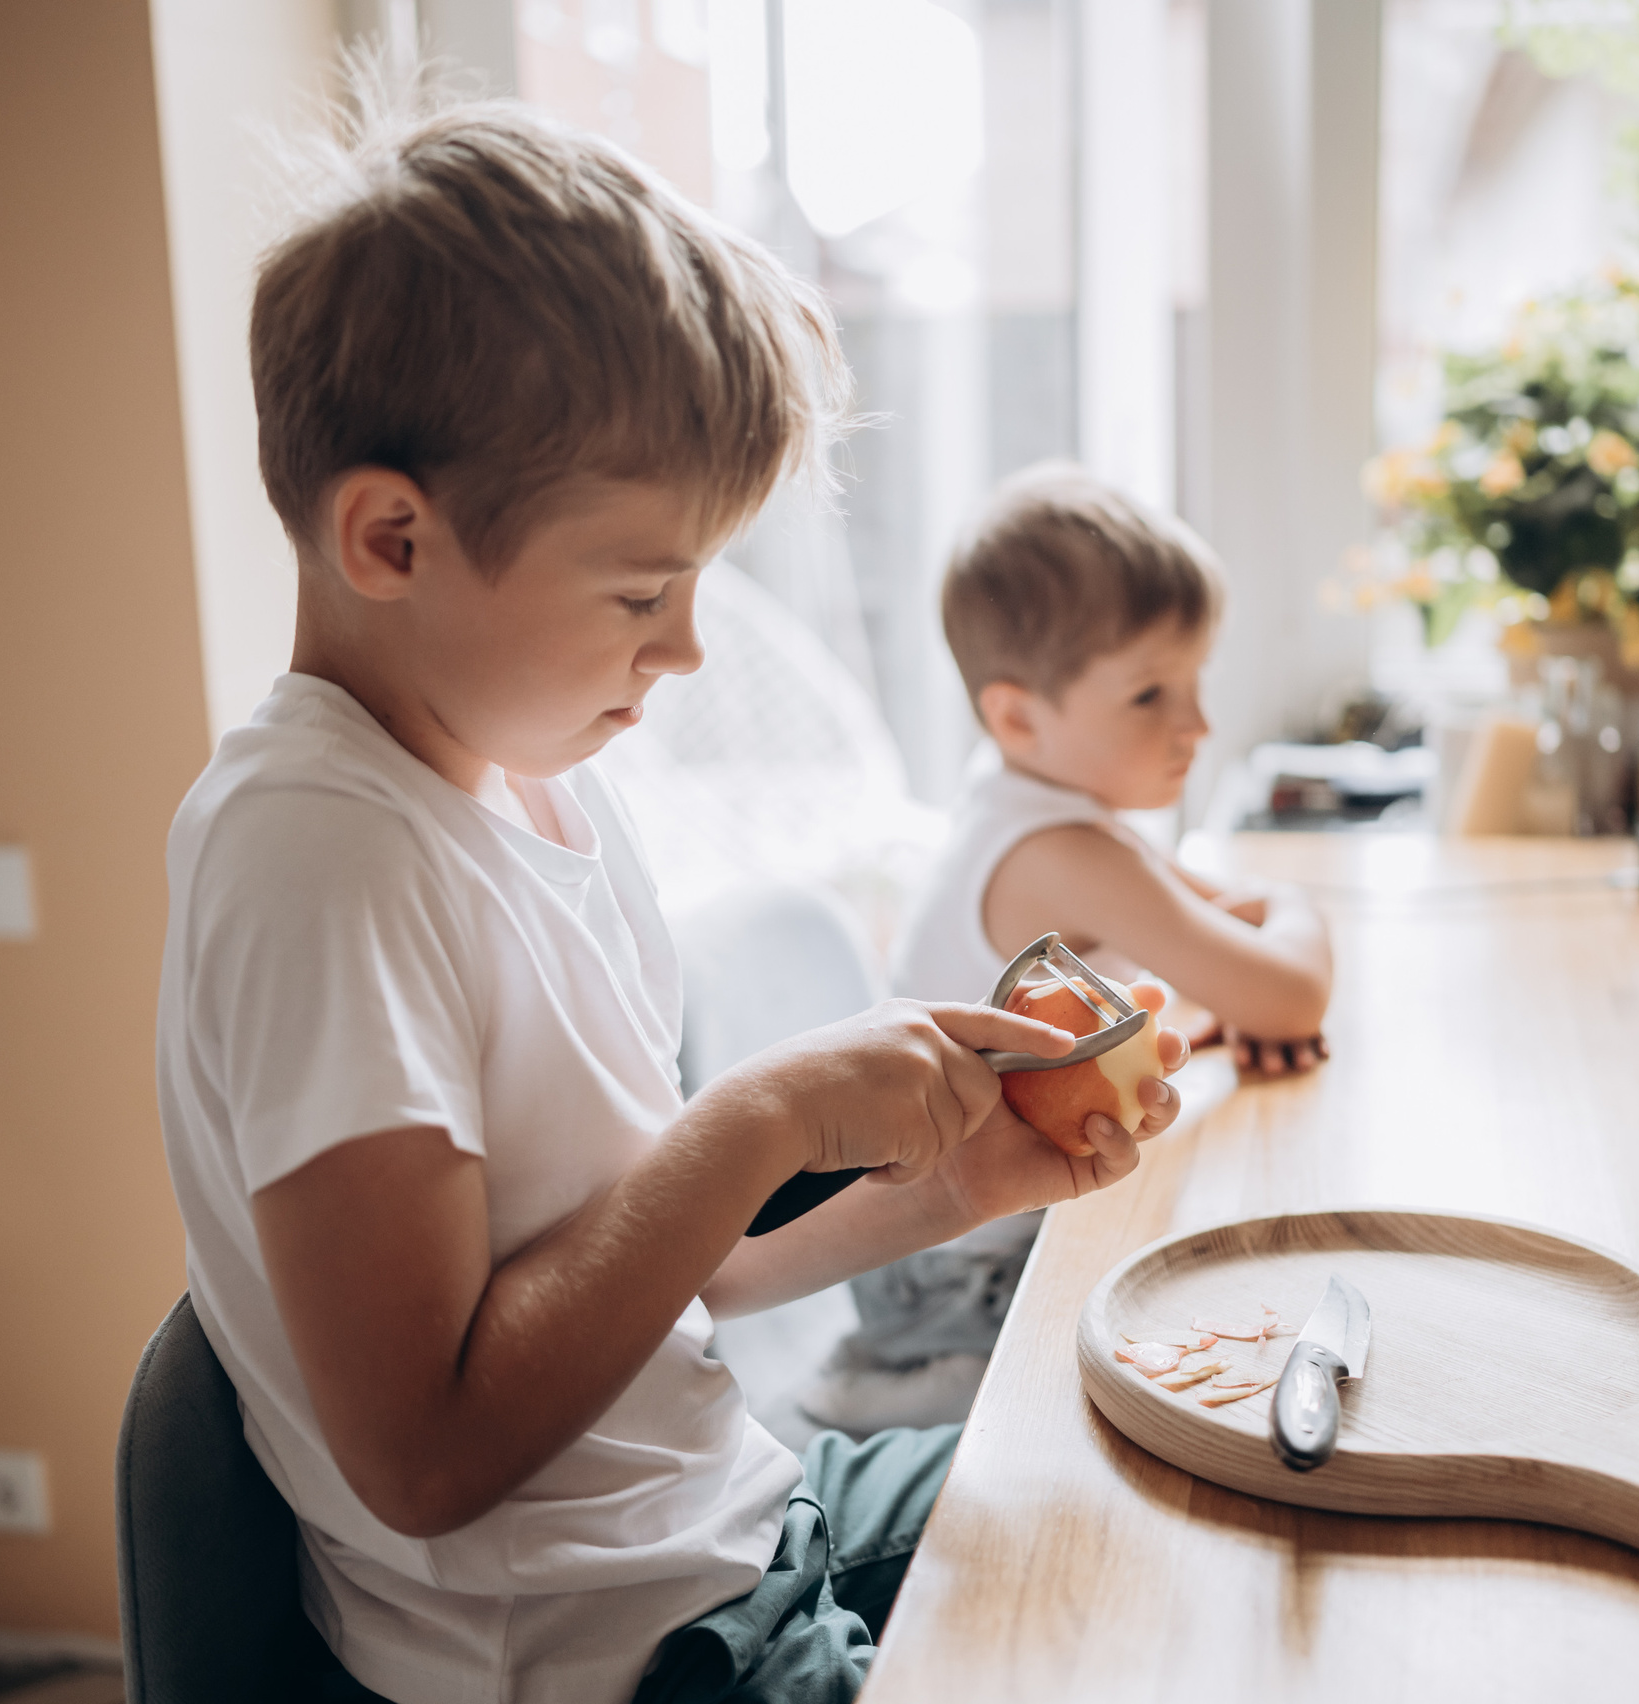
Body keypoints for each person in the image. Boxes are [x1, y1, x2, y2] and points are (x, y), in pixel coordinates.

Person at [153, 97, 1189, 1704]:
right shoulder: (320, 861)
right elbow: (423, 1457)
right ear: (390, 537)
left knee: (1171, 1511)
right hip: (617, 1652)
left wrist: (956, 1189)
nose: (689, 646)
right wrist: (762, 1118)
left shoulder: (547, 786)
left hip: (744, 1526)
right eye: (643, 589)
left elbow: (676, 1282)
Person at [812, 466, 1333, 1436]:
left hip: (930, 1247)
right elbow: (1288, 991)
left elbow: (1220, 945)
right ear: (1018, 716)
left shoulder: (1028, 796)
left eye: (1196, 680)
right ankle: (912, 1392)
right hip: (958, 1278)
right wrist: (1300, 904)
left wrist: (1233, 982)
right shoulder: (1062, 852)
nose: (1197, 724)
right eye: (1150, 694)